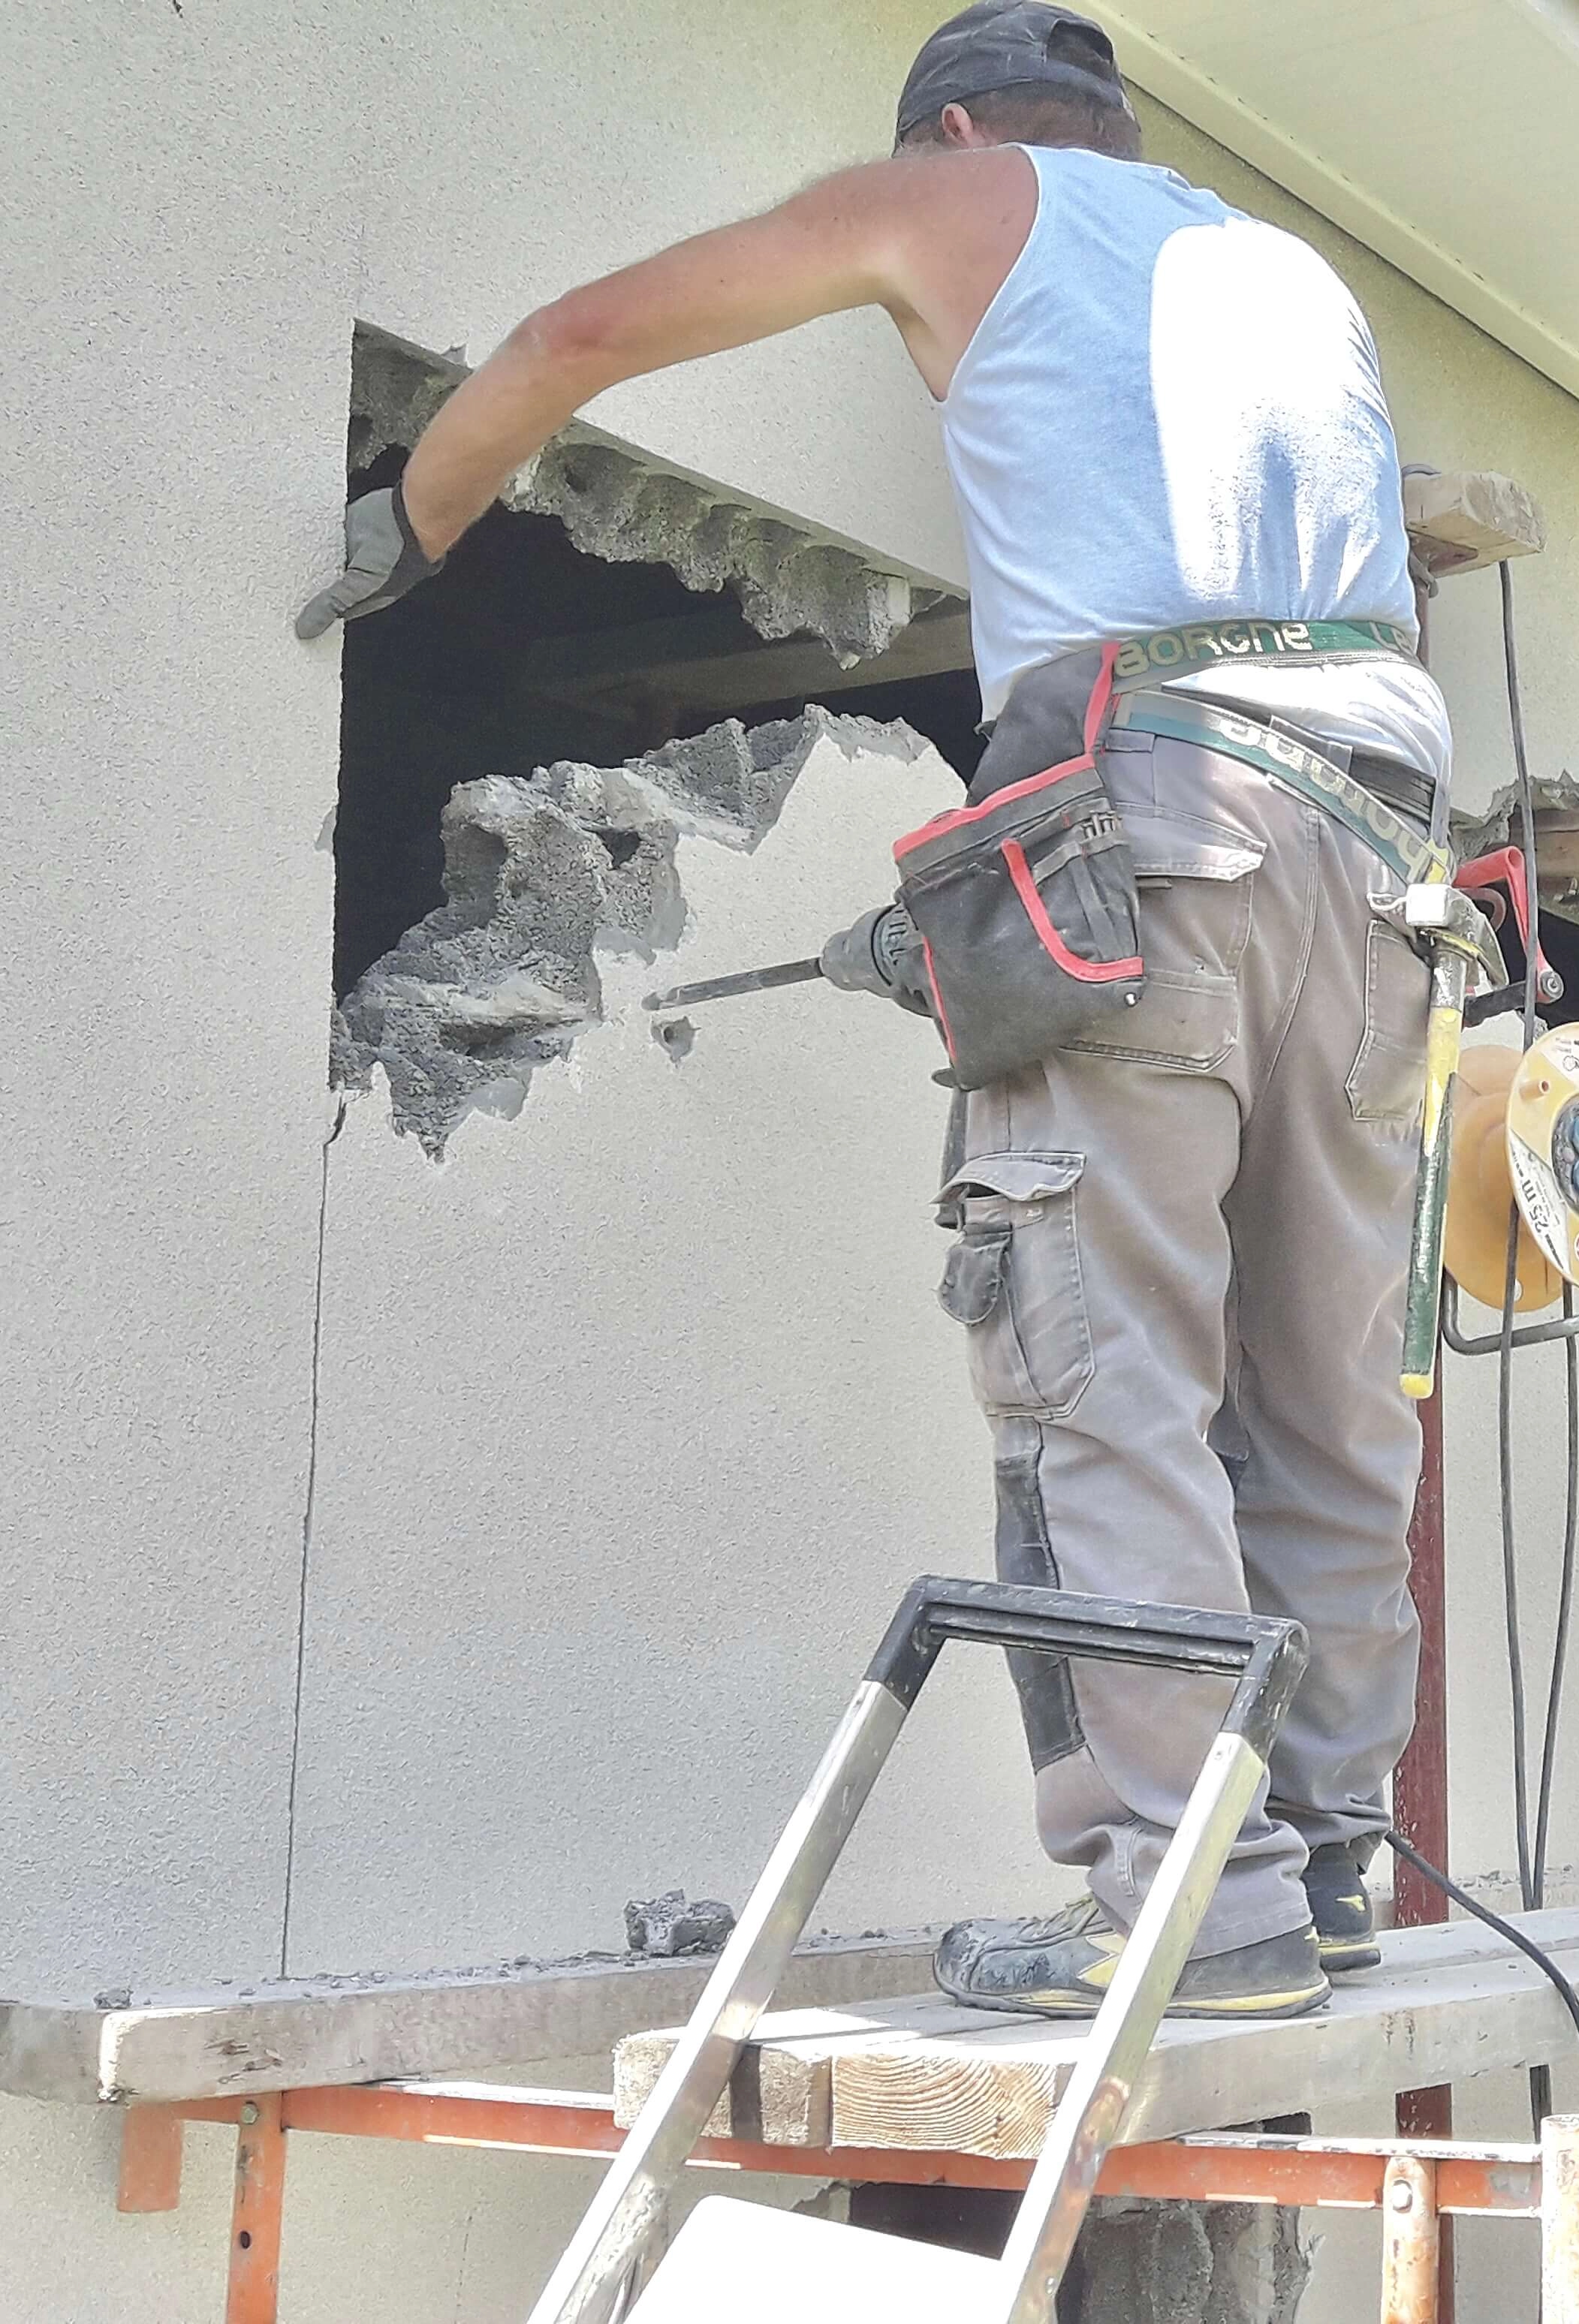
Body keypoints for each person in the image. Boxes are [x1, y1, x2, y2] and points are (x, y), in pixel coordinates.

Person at [297, 3, 1448, 2015]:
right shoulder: (1281, 269)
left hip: (1158, 808)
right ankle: (1326, 1865)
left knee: (1102, 1368)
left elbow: (577, 338)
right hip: (1381, 860)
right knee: (1326, 1386)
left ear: (959, 131)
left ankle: (1195, 1902)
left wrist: (418, 518)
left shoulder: (964, 196)